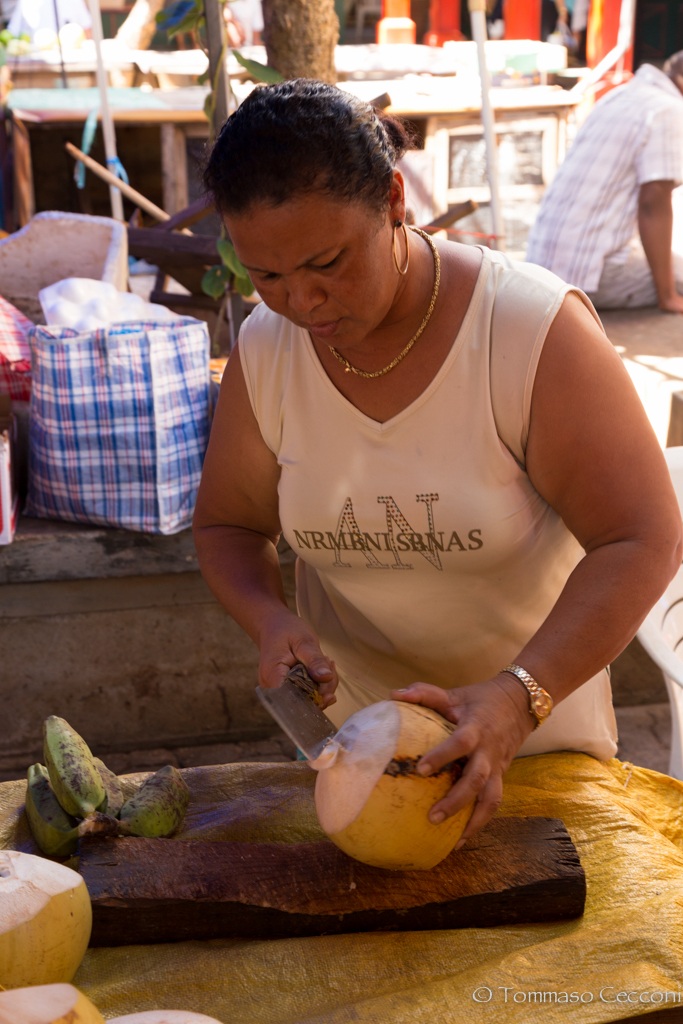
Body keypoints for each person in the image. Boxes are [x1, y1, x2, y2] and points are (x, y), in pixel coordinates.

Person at [194, 79, 682, 846]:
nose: (304, 302)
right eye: (268, 276)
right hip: (360, 765)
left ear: (393, 199)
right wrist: (269, 619)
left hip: (539, 758)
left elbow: (643, 537)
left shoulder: (526, 331)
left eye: (327, 262)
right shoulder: (267, 346)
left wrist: (515, 701)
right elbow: (229, 525)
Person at [526, 52, 683, 313]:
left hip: (545, 264)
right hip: (588, 274)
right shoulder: (670, 110)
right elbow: (653, 201)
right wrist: (668, 296)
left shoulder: (623, 95)